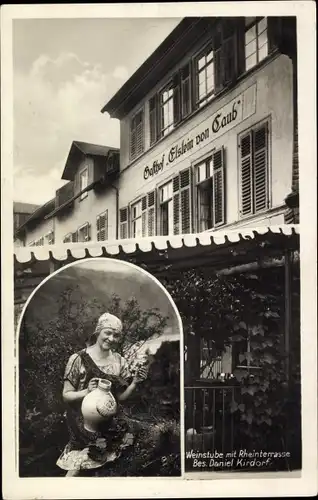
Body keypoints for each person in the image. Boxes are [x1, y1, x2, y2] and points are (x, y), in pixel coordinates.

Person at [56, 312, 148, 477]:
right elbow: (66, 395)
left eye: (116, 335)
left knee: (137, 438)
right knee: (83, 461)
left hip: (109, 416)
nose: (111, 338)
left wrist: (135, 382)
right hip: (82, 419)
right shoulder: (78, 359)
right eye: (108, 333)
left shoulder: (119, 361)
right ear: (98, 332)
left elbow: (119, 399)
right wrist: (86, 392)